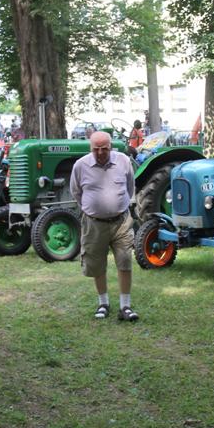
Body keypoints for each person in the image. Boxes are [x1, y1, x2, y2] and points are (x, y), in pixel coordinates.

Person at [70, 130, 138, 322]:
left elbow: (130, 186)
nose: (100, 152)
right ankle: (103, 303)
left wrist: (118, 204)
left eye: (104, 149)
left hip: (121, 222)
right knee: (96, 264)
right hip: (94, 224)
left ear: (111, 147)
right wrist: (92, 208)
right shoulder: (80, 166)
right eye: (96, 149)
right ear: (90, 148)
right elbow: (76, 192)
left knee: (125, 262)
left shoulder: (123, 161)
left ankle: (125, 307)